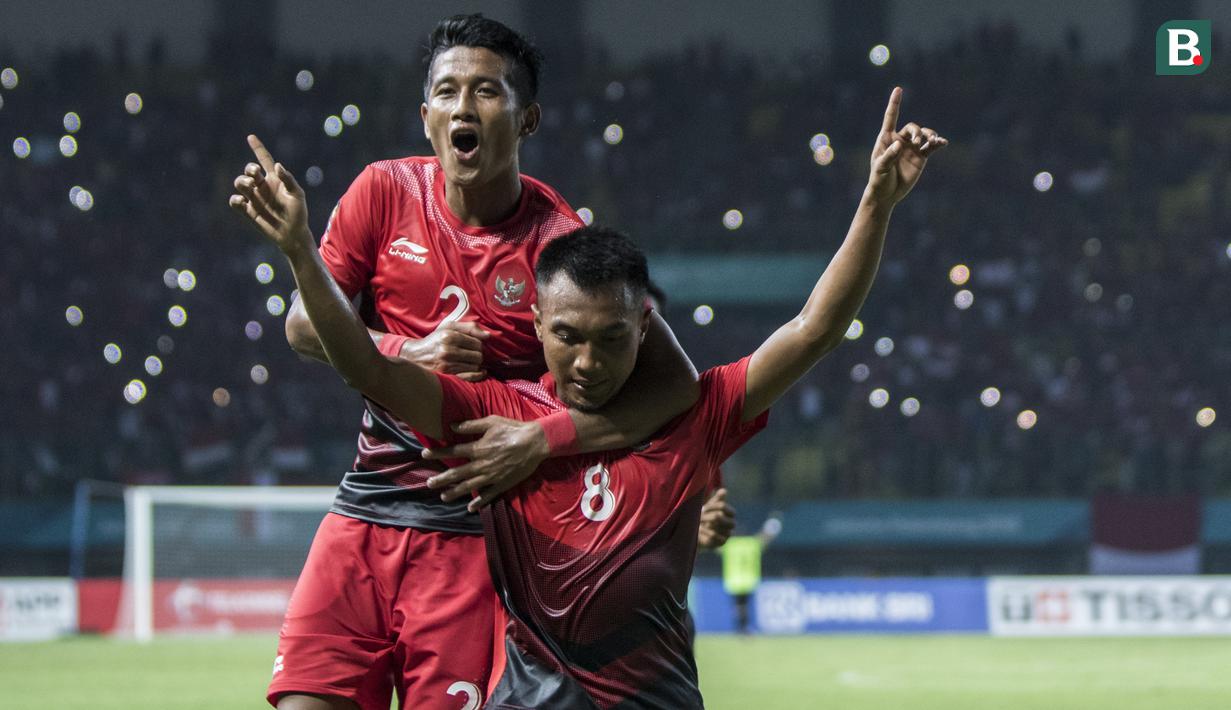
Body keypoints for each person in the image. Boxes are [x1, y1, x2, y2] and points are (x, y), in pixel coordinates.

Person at [231, 85, 944, 707]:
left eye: (609, 338)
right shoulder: (499, 422)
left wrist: (877, 202)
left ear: (644, 328)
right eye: (566, 335)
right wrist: (300, 252)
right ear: (535, 324)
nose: (586, 360)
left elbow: (814, 328)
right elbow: (368, 369)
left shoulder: (691, 418)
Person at [235, 14, 703, 710]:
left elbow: (674, 384)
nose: (463, 106)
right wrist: (403, 349)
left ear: (527, 118)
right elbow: (302, 325)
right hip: (363, 513)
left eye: (486, 91)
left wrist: (542, 438)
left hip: (472, 536)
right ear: (426, 117)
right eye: (447, 91)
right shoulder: (381, 192)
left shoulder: (558, 242)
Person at [719, 513, 782, 634]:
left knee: (739, 606)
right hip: (749, 581)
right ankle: (744, 628)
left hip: (733, 581)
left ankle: (741, 627)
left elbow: (714, 544)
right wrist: (772, 525)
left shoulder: (729, 545)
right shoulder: (752, 543)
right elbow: (765, 538)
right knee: (745, 606)